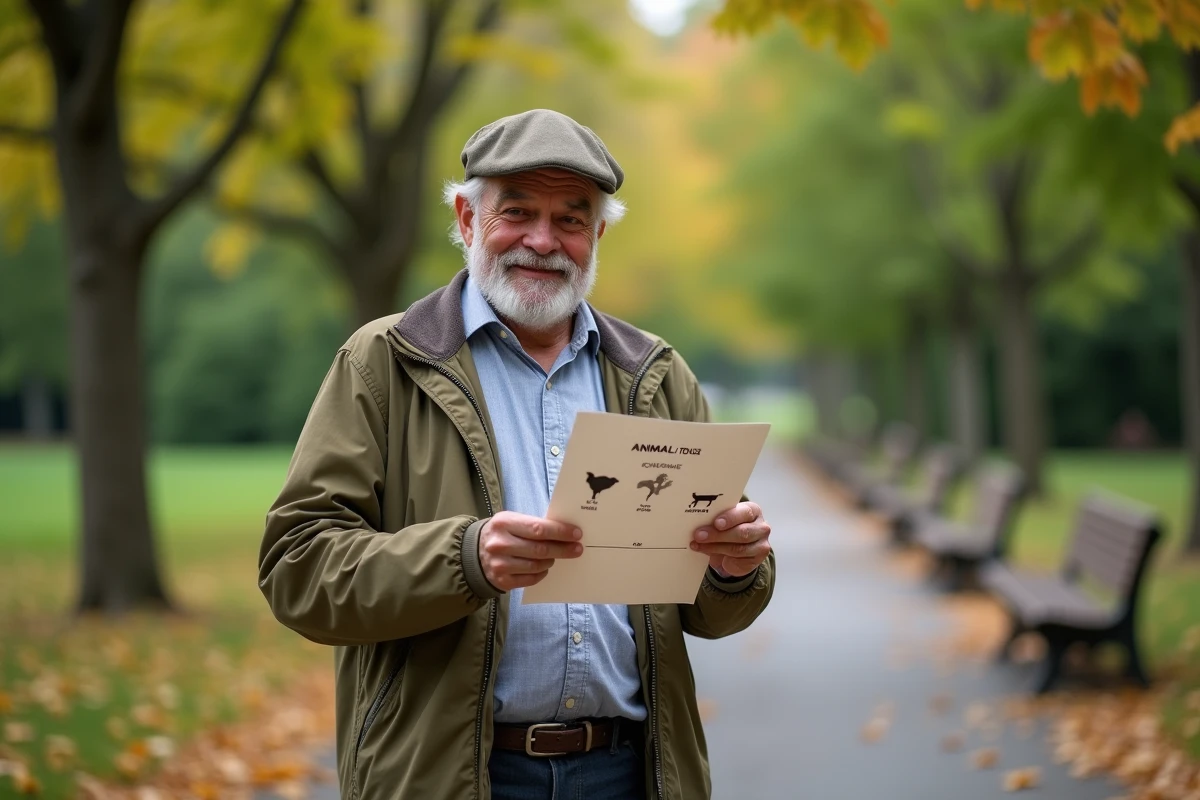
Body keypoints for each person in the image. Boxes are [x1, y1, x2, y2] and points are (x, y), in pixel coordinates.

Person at [259, 109, 776, 800]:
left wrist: (734, 569)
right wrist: (464, 558)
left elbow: (710, 615)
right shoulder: (384, 362)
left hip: (629, 773)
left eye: (571, 219)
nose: (543, 240)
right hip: (450, 778)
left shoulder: (655, 374)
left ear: (597, 236)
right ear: (468, 220)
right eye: (518, 211)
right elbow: (297, 568)